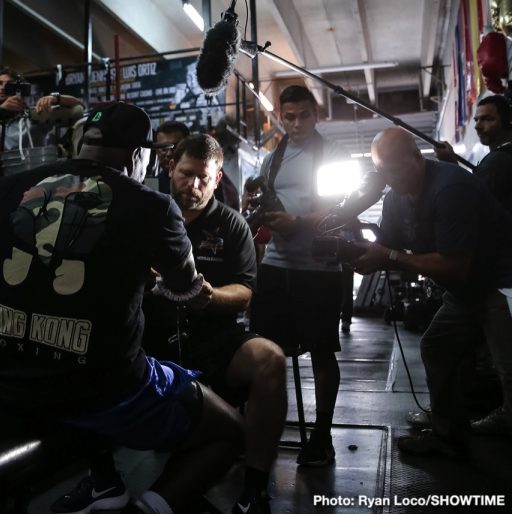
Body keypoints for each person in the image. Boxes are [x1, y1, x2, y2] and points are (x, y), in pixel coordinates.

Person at [0, 102, 242, 514]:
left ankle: (105, 482)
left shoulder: (5, 189)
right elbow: (185, 285)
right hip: (107, 394)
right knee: (229, 430)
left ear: (83, 142)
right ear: (138, 155)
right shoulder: (152, 205)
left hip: (9, 388)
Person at [144, 134, 287, 514]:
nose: (193, 186)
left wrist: (209, 295)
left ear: (218, 175)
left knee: (270, 360)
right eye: (186, 174)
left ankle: (254, 488)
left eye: (203, 179)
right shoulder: (147, 215)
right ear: (170, 167)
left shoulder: (232, 225)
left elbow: (245, 291)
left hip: (212, 335)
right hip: (149, 337)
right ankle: (104, 476)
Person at [352, 127, 512, 455]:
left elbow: (454, 265)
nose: (391, 178)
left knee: (508, 368)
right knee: (437, 346)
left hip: (500, 284)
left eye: (395, 169)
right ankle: (448, 433)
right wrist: (357, 244)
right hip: (467, 290)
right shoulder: (396, 198)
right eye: (383, 172)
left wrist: (392, 258)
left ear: (416, 157)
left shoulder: (450, 188)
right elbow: (388, 243)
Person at [249, 85, 350, 467]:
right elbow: (267, 205)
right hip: (276, 266)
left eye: (303, 115)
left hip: (319, 268)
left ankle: (322, 436)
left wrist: (299, 222)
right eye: (288, 116)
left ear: (316, 113)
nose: (295, 124)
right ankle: (263, 427)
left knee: (322, 352)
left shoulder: (334, 154)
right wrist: (265, 221)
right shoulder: (272, 158)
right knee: (266, 352)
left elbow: (341, 207)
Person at [0, 68, 84, 150]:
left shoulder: (32, 115)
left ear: (20, 91)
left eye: (9, 85)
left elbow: (79, 108)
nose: (3, 88)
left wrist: (55, 98)